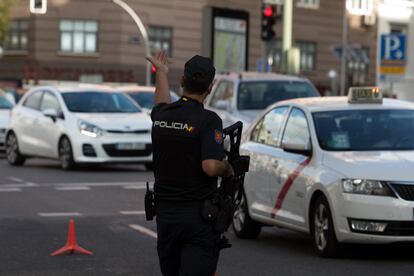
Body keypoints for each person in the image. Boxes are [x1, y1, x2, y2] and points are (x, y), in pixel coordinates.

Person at [147, 51, 234, 276]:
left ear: (183, 81)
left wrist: (162, 73)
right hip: (197, 217)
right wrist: (228, 168)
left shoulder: (163, 115)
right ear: (210, 87)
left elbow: (160, 101)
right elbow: (210, 166)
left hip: (166, 215)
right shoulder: (209, 120)